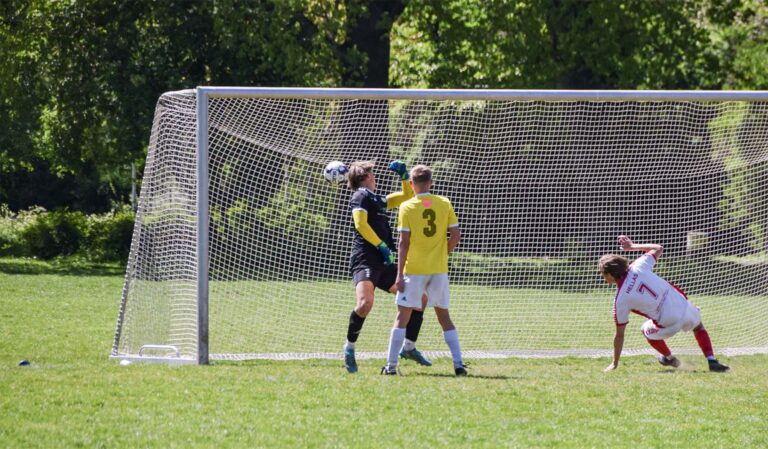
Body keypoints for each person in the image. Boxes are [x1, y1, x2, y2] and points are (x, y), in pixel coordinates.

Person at [343, 160, 432, 373]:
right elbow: (360, 224)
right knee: (365, 304)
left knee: (420, 299)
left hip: (386, 260)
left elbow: (406, 197)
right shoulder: (360, 196)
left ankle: (408, 347)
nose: (375, 176)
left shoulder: (377, 199)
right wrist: (381, 245)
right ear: (364, 177)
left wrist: (404, 178)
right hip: (366, 258)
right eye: (371, 173)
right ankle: (349, 348)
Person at [600, 235, 730, 373]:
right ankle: (711, 360)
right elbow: (658, 248)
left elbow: (619, 334)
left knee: (645, 330)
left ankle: (668, 358)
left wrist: (615, 363)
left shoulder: (620, 299)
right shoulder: (638, 265)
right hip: (683, 307)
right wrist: (631, 246)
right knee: (698, 327)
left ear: (609, 274)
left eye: (603, 274)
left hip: (669, 321)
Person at [382, 164, 466, 376]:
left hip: (415, 270)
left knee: (402, 316)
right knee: (444, 316)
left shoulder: (407, 206)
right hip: (438, 269)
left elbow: (403, 242)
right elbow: (455, 236)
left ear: (411, 184)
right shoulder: (444, 202)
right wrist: (442, 255)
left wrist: (399, 274)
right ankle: (458, 364)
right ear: (430, 182)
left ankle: (391, 367)